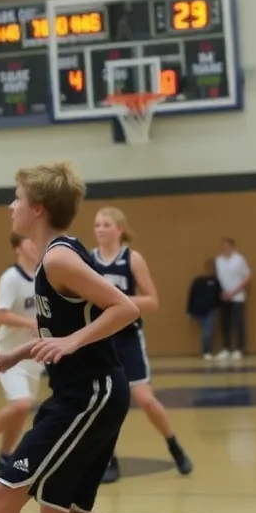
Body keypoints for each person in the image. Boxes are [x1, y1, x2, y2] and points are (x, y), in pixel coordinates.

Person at [0, 161, 187, 513]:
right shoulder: (56, 256)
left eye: (16, 198)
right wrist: (17, 356)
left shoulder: (58, 261)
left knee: (1, 499)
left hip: (91, 392)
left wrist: (73, 342)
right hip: (81, 391)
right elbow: (63, 327)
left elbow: (124, 307)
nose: (9, 206)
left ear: (37, 208)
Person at [90, 207, 192, 482]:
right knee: (106, 403)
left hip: (128, 338)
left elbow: (152, 301)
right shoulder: (88, 260)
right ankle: (110, 458)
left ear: (119, 229)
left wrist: (118, 301)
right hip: (100, 338)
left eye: (105, 224)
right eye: (97, 224)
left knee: (145, 399)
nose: (99, 229)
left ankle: (173, 444)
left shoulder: (132, 259)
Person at [0, 233, 42, 477]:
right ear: (17, 247)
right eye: (29, 241)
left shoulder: (43, 274)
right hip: (9, 353)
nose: (35, 245)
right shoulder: (11, 278)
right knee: (21, 403)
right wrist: (30, 322)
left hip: (33, 355)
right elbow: (1, 315)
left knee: (23, 409)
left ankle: (4, 455)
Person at [214, 238, 251, 361]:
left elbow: (248, 276)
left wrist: (234, 291)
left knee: (238, 323)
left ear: (232, 246)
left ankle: (239, 349)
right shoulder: (218, 260)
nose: (225, 248)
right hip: (224, 297)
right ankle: (226, 348)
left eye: (227, 246)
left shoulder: (239, 260)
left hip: (237, 296)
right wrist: (222, 292)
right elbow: (219, 278)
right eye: (223, 246)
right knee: (225, 324)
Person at [186, 259, 223, 360]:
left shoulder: (216, 281)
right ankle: (206, 350)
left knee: (208, 330)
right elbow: (191, 295)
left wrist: (220, 307)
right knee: (206, 331)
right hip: (197, 311)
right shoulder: (198, 281)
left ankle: (206, 351)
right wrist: (188, 311)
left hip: (211, 310)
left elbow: (220, 295)